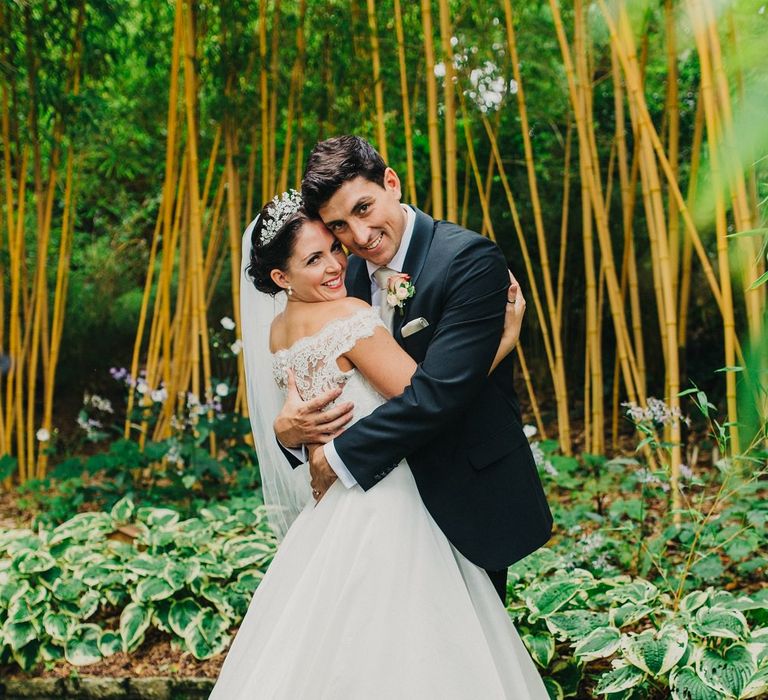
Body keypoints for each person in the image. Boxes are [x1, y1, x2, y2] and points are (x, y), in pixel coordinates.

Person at [209, 189, 548, 698]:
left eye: (334, 248)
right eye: (315, 258)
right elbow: (426, 396)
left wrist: (287, 431)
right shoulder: (347, 315)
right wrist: (499, 346)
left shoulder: (278, 332)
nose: (336, 263)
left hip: (334, 506)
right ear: (280, 277)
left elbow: (301, 419)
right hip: (393, 498)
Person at [274, 136, 552, 602]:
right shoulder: (345, 276)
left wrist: (335, 458)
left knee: (473, 649)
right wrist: (290, 434)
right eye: (339, 226)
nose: (359, 237)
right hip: (381, 508)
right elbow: (336, 383)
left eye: (364, 208)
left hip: (466, 487)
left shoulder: (468, 260)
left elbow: (436, 396)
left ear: (391, 183)